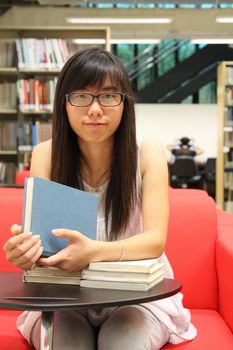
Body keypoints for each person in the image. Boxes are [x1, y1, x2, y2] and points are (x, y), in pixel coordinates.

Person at [3, 47, 196, 350]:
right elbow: (43, 246)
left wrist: (93, 252)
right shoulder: (46, 155)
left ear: (124, 103)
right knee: (67, 343)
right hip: (67, 296)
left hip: (136, 296)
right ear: (64, 103)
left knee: (121, 343)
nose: (95, 109)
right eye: (81, 96)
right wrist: (25, 253)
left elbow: (155, 241)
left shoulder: (147, 152)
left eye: (107, 96)